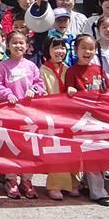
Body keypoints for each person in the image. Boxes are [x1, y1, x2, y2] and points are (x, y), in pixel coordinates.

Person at [0, 30, 45, 199]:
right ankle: (11, 179)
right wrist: (8, 95)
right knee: (11, 147)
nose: (18, 46)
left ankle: (27, 180)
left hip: (29, 115)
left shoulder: (31, 66)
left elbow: (40, 84)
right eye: (14, 43)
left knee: (29, 148)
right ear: (7, 45)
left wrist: (33, 90)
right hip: (10, 114)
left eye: (21, 43)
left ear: (27, 46)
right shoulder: (2, 66)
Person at [63, 35, 109, 207]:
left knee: (101, 155)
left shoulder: (99, 70)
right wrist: (70, 90)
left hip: (100, 118)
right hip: (84, 120)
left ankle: (88, 184)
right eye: (83, 47)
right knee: (92, 155)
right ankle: (98, 192)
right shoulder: (72, 71)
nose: (87, 51)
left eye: (91, 48)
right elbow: (68, 91)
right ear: (76, 50)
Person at [38, 37, 76, 201]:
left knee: (72, 148)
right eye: (55, 48)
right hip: (51, 115)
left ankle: (73, 183)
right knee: (58, 149)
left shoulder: (68, 69)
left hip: (69, 115)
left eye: (62, 48)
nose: (60, 51)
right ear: (48, 51)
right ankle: (55, 185)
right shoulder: (42, 70)